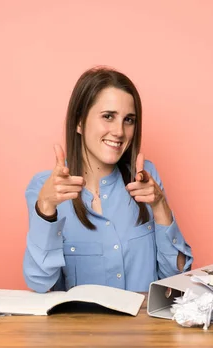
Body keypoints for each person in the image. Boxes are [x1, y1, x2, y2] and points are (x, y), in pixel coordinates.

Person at [22, 66, 193, 293]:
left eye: (129, 120)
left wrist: (160, 206)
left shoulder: (146, 178)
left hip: (144, 327)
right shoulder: (46, 188)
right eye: (108, 117)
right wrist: (46, 210)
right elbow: (40, 284)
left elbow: (176, 280)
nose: (120, 131)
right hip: (79, 328)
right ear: (79, 122)